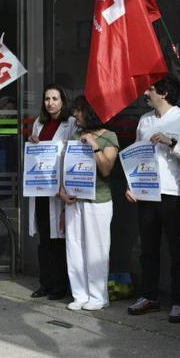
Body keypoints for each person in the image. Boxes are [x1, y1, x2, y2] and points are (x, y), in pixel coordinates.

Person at [125, 75, 180, 323]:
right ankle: (149, 296)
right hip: (146, 192)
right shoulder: (144, 120)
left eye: (151, 89)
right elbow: (136, 154)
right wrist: (130, 185)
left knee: (177, 249)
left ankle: (179, 301)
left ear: (164, 93)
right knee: (148, 248)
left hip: (172, 193)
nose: (146, 93)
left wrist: (171, 143)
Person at [62, 95, 119, 311]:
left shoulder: (109, 137)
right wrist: (62, 192)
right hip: (75, 199)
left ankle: (98, 295)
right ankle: (80, 294)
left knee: (97, 248)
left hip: (98, 200)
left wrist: (94, 146)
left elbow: (106, 169)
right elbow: (65, 165)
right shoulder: (76, 134)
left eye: (79, 110)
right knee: (74, 245)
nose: (76, 114)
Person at [28, 84, 74, 301]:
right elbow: (35, 154)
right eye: (47, 99)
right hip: (41, 188)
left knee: (59, 241)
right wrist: (33, 144)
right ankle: (45, 283)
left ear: (62, 101)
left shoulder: (70, 124)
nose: (51, 103)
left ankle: (60, 285)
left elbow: (72, 154)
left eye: (55, 98)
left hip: (59, 190)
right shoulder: (39, 123)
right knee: (44, 239)